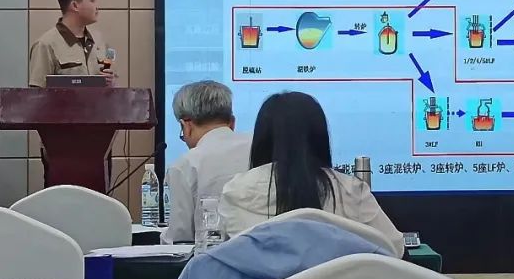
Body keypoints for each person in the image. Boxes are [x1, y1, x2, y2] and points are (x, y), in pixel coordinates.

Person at [219, 92, 405, 255]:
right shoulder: (350, 191)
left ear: (261, 140)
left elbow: (223, 255)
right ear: (320, 138)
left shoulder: (236, 191)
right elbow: (395, 248)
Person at [161, 81, 251, 245]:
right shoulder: (260, 147)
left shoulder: (184, 165)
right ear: (232, 122)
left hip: (213, 256)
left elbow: (180, 238)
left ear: (186, 126)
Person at [27, 0, 113, 87]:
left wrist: (110, 82)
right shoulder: (45, 45)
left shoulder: (99, 40)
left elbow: (112, 86)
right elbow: (37, 94)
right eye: (93, 1)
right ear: (75, 5)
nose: (97, 7)